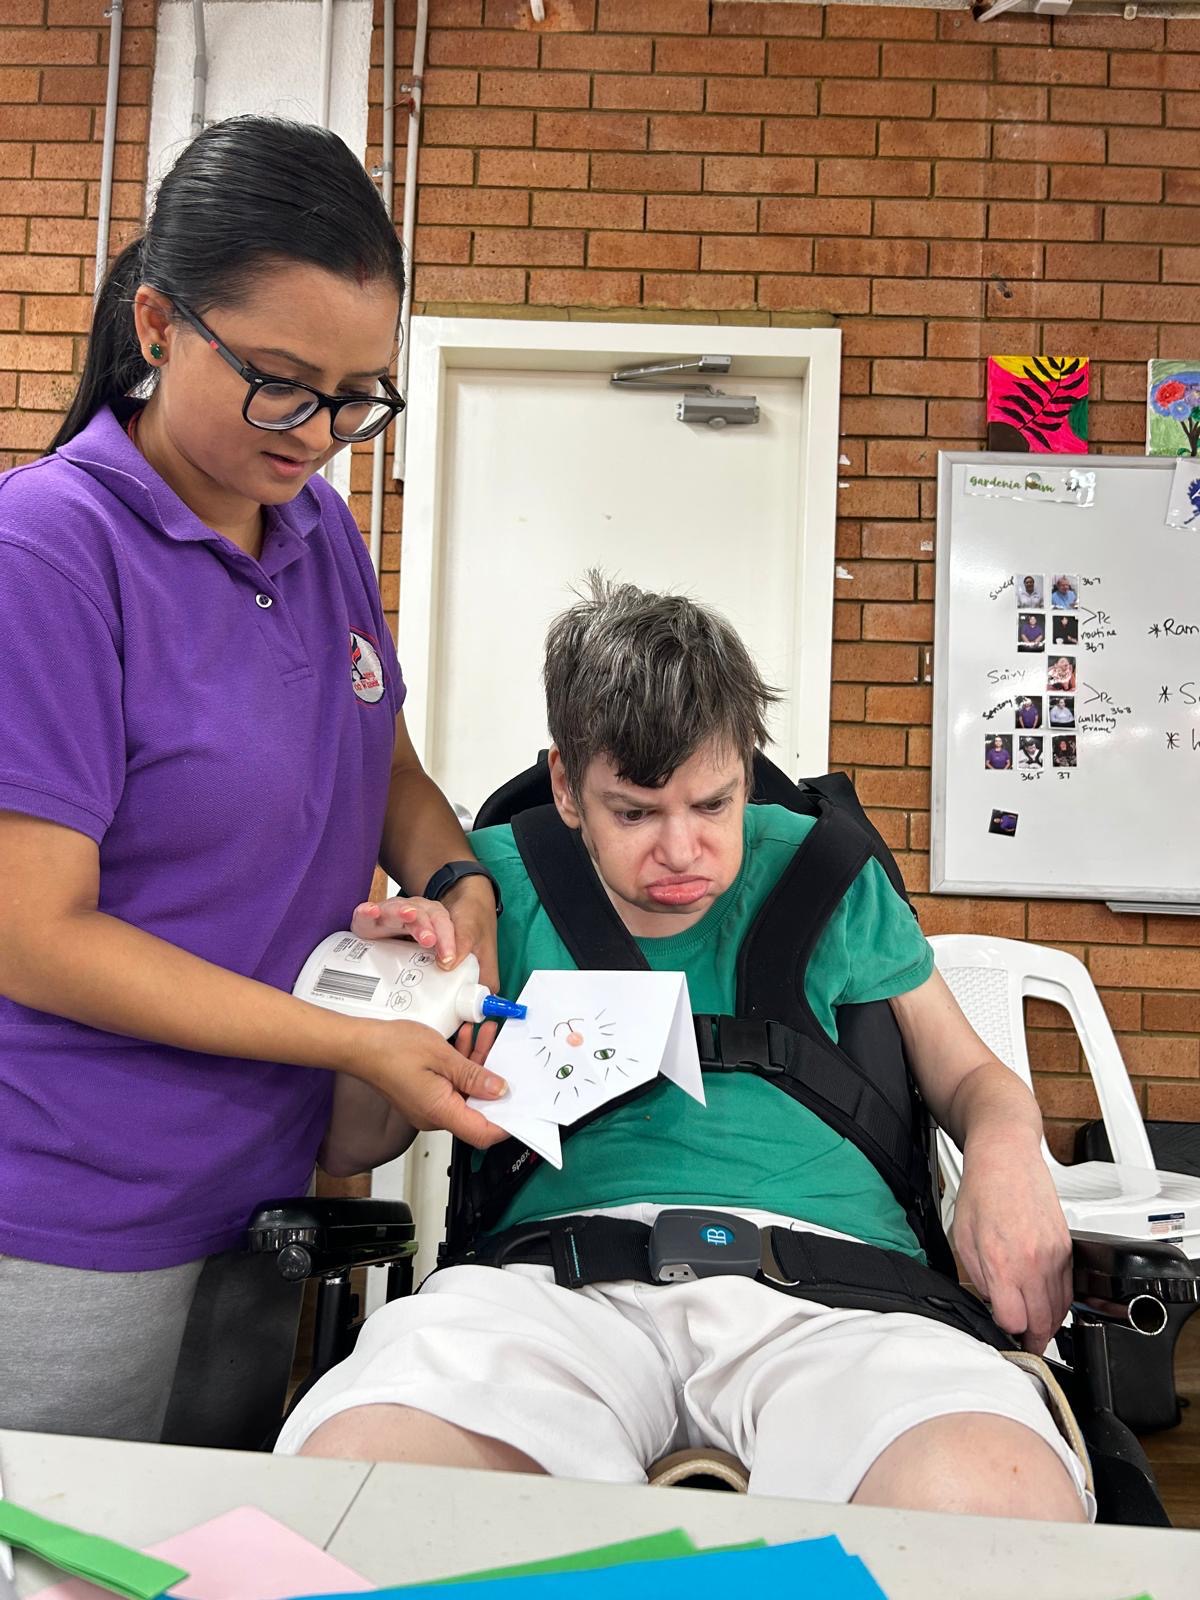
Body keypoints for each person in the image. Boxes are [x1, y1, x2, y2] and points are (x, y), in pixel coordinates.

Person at [277, 578, 1090, 1524]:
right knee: (363, 1484)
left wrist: (1008, 1150)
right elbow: (350, 1146)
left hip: (843, 1294)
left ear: (745, 767)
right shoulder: (483, 886)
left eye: (715, 804)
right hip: (551, 1290)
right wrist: (396, 1001)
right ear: (565, 787)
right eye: (634, 813)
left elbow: (971, 1077)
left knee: (998, 1501)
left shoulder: (832, 875)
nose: (684, 851)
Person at [0, 117, 508, 1447]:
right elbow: (36, 939)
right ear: (160, 326)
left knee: (202, 1540)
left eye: (359, 396)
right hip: (71, 1205)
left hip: (264, 1183)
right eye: (283, 383)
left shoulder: (316, 528)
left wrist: (454, 883)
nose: (323, 433)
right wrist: (353, 1040)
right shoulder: (48, 554)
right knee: (59, 1554)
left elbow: (381, 759)